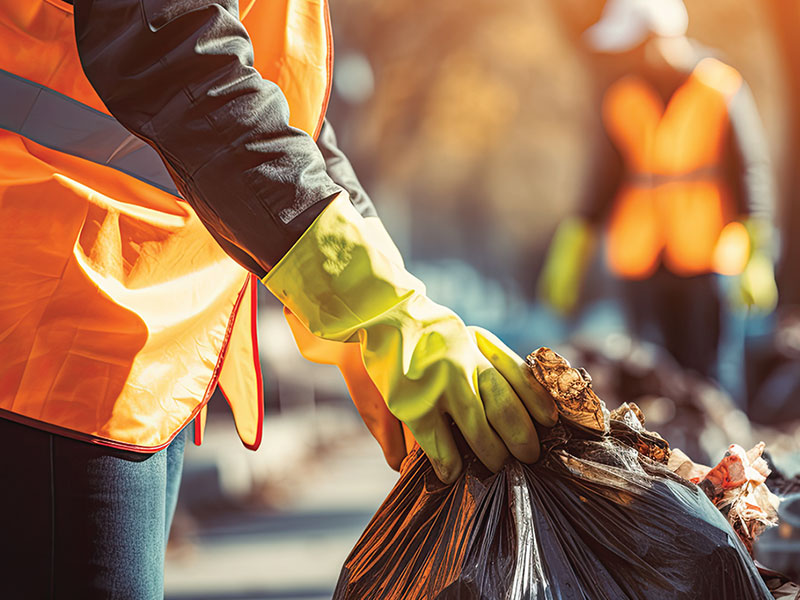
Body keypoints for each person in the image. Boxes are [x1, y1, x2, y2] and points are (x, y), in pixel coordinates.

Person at [0, 0, 557, 597]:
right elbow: (176, 52)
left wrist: (387, 306)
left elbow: (292, 115)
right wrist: (379, 309)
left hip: (130, 332)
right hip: (50, 311)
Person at [538, 0, 778, 379]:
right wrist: (573, 245)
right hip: (642, 260)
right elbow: (604, 179)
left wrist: (757, 252)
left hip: (707, 256)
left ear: (652, 41)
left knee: (711, 374)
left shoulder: (720, 87)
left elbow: (748, 170)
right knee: (651, 377)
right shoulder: (622, 96)